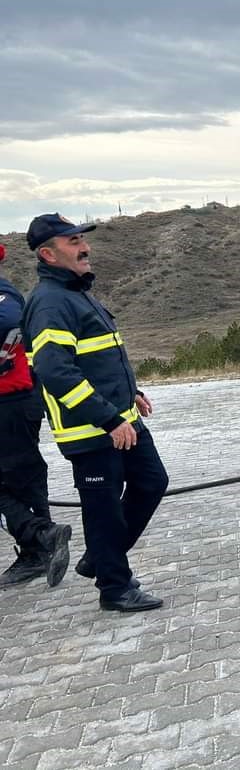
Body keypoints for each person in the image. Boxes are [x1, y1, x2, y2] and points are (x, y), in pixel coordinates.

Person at [22, 214, 168, 612]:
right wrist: (107, 418)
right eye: (72, 242)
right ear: (48, 254)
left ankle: (102, 558)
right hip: (91, 430)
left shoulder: (77, 292)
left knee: (152, 482)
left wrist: (130, 393)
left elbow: (102, 357)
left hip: (121, 418)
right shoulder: (50, 303)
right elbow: (56, 371)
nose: (84, 247)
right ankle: (115, 589)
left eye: (82, 240)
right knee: (102, 509)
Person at [0, 242, 72, 589]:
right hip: (14, 401)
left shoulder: (4, 297)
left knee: (22, 475)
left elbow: (11, 321)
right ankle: (40, 543)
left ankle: (40, 539)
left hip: (10, 401)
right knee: (21, 477)